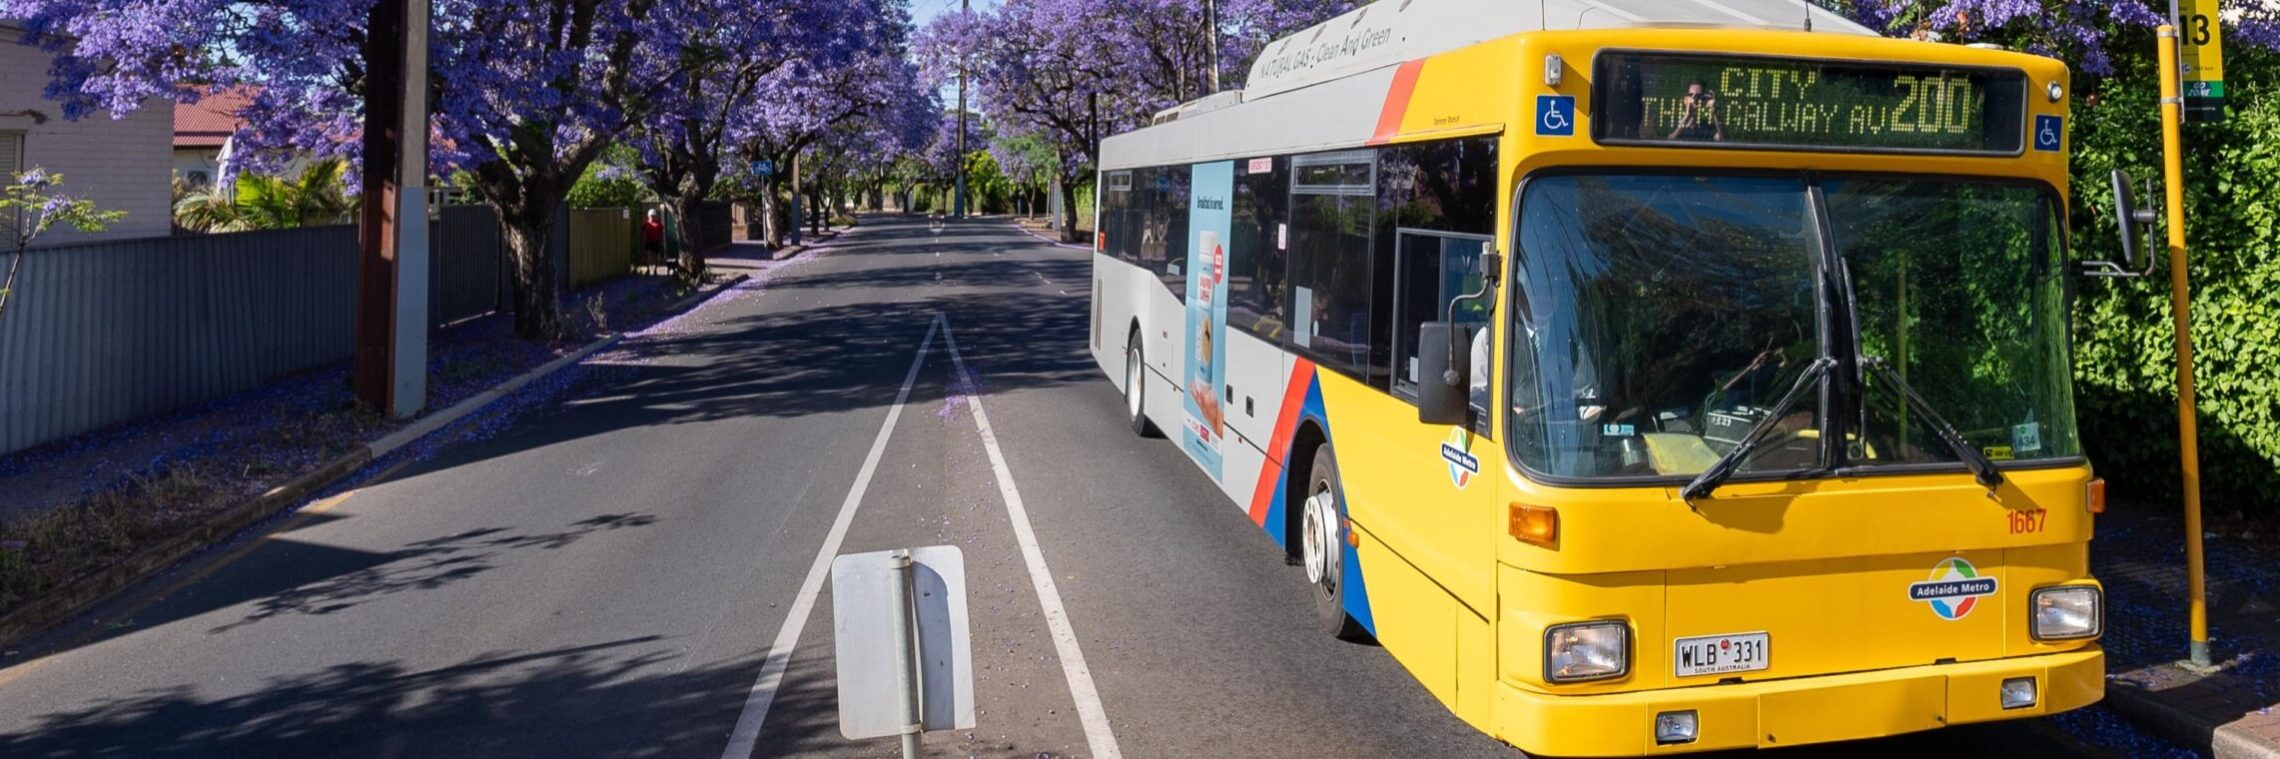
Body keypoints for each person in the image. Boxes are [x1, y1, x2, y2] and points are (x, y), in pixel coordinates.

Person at [640, 209, 666, 274]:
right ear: (648, 216)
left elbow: (661, 233)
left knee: (655, 256)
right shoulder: (646, 224)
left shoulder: (659, 224)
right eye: (651, 216)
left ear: (655, 216)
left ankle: (655, 270)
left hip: (656, 241)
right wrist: (643, 240)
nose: (652, 217)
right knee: (649, 256)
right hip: (648, 241)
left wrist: (662, 241)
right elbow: (642, 232)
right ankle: (648, 269)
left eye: (653, 216)